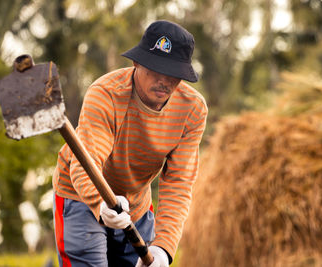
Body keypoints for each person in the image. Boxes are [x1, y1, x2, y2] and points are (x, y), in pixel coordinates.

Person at [52, 20, 208, 267]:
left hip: (136, 204)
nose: (164, 81)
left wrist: (163, 248)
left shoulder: (193, 110)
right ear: (137, 63)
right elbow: (87, 162)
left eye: (173, 74)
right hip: (81, 195)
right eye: (156, 70)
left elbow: (178, 182)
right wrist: (100, 202)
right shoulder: (105, 93)